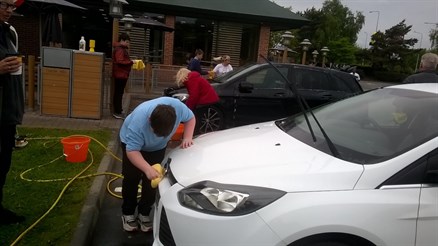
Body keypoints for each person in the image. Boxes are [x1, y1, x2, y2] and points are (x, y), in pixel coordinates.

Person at [119, 97, 196, 232]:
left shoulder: (177, 108)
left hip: (157, 148)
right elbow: (132, 151)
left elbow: (191, 118)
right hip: (133, 146)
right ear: (150, 121)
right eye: (156, 133)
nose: (159, 136)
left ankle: (144, 213)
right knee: (131, 178)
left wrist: (187, 137)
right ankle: (128, 213)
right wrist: (146, 168)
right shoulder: (139, 121)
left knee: (153, 180)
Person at [0, 0, 26, 225]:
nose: (9, 10)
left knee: (3, 163)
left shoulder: (7, 32)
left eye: (12, 6)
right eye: (5, 4)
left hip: (7, 112)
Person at [112, 32, 133, 119]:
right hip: (120, 74)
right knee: (119, 93)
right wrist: (131, 62)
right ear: (122, 41)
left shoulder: (120, 49)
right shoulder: (120, 50)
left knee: (119, 92)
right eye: (127, 42)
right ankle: (117, 111)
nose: (128, 44)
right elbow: (119, 61)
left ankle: (119, 110)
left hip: (121, 74)